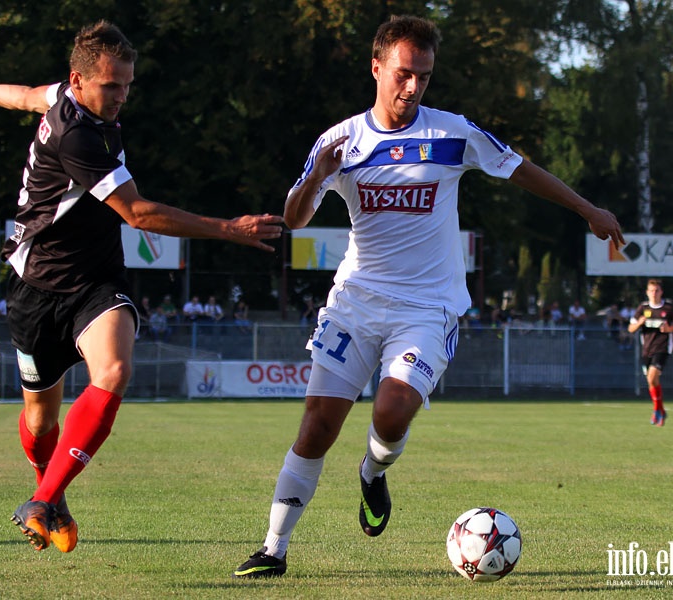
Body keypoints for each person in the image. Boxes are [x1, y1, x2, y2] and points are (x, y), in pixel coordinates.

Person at [232, 14, 624, 578]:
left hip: (427, 306)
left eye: (424, 76)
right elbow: (294, 218)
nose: (413, 87)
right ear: (377, 68)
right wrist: (317, 174)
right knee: (318, 424)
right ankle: (273, 548)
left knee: (390, 414)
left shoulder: (451, 133)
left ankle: (372, 472)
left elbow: (519, 169)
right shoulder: (340, 141)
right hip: (355, 302)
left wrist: (588, 209)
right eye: (403, 74)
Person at [0, 20, 283, 553]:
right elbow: (140, 214)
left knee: (116, 370)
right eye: (110, 86)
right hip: (37, 289)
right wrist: (228, 229)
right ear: (79, 81)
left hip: (96, 283)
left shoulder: (66, 97)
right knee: (40, 416)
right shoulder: (77, 137)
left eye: (126, 84)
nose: (121, 96)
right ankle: (48, 493)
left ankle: (44, 497)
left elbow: (28, 95)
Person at [627, 279, 673, 426]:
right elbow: (630, 329)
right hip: (647, 349)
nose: (654, 293)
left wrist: (669, 329)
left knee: (652, 376)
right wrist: (639, 323)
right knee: (652, 381)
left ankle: (657, 410)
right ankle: (661, 410)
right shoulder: (643, 308)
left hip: (663, 348)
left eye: (657, 290)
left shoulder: (668, 308)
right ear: (647, 292)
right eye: (651, 290)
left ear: (661, 292)